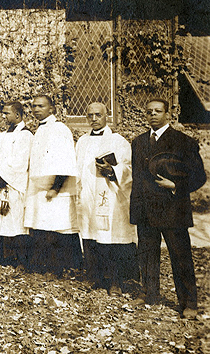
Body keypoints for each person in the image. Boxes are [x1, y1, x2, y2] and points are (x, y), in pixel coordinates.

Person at [129, 98, 206, 318]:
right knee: (147, 254)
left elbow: (199, 176)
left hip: (173, 210)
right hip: (146, 210)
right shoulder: (138, 142)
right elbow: (136, 178)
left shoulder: (183, 141)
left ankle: (189, 303)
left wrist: (175, 185)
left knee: (180, 257)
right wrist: (135, 209)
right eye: (149, 111)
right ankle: (150, 294)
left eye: (158, 111)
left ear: (167, 114)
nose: (153, 114)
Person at [75, 102, 135, 293]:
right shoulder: (82, 141)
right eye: (90, 115)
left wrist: (113, 170)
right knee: (90, 235)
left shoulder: (118, 141)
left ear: (106, 116)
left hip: (110, 195)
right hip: (88, 197)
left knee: (111, 237)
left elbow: (129, 168)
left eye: (98, 115)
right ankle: (96, 277)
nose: (93, 119)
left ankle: (116, 281)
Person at [24, 95, 81, 277]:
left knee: (58, 228)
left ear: (52, 109)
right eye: (34, 106)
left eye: (41, 106)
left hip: (56, 188)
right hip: (40, 187)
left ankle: (58, 268)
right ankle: (43, 265)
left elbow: (65, 160)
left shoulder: (59, 129)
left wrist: (56, 187)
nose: (36, 109)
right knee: (42, 226)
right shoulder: (40, 129)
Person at [0, 102, 32, 269]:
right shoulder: (2, 135)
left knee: (15, 221)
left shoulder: (25, 136)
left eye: (6, 113)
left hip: (13, 185)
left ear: (17, 115)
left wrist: (1, 178)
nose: (3, 116)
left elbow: (20, 161)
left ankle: (20, 260)